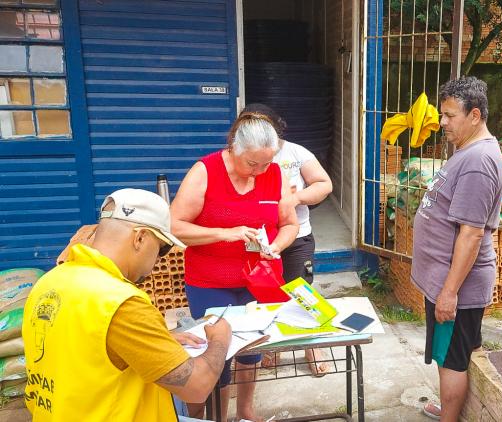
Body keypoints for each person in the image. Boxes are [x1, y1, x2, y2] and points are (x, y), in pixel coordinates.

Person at [22, 189, 232, 421]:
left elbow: (84, 347)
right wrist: (220, 339)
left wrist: (156, 341)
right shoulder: (122, 302)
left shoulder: (50, 282)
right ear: (140, 238)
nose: (156, 262)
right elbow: (197, 386)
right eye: (162, 249)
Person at [170, 113, 299, 421]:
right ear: (233, 148)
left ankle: (245, 412)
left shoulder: (274, 174)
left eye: (267, 163)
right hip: (210, 282)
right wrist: (226, 233)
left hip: (259, 282)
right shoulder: (206, 171)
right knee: (215, 356)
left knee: (252, 349)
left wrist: (278, 246)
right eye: (253, 164)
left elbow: (289, 223)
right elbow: (173, 225)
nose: (260, 171)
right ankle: (216, 417)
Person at [410, 76, 502, 421]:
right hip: (444, 281)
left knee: (452, 358)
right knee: (445, 352)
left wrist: (450, 293)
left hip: (456, 287)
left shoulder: (479, 162)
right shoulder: (467, 152)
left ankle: (449, 417)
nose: (442, 123)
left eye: (449, 115)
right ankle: (448, 405)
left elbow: (471, 234)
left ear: (475, 115)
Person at [242, 103, 334, 375]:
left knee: (301, 290)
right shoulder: (240, 155)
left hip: (297, 235)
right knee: (264, 294)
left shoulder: (295, 152)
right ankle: (271, 346)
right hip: (256, 240)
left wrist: (295, 198)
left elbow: (324, 184)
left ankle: (311, 346)